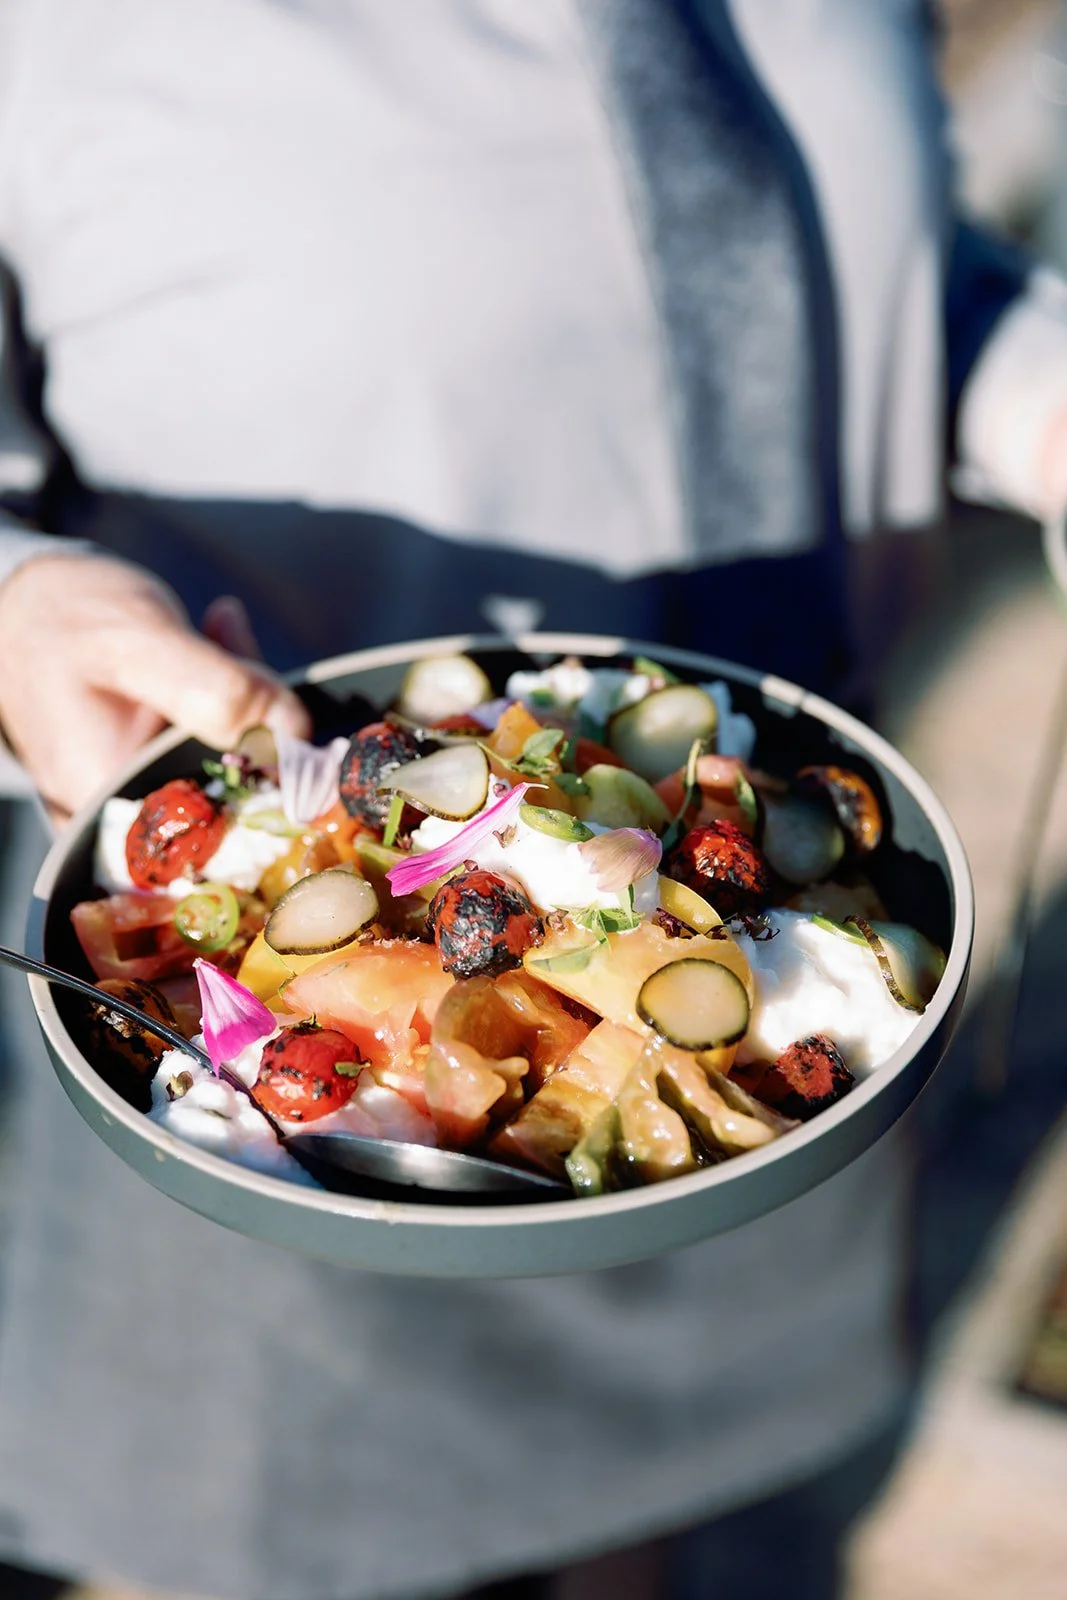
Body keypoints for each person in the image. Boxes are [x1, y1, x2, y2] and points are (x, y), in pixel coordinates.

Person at [0, 4, 1064, 1598]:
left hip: (767, 986)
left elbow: (838, 269)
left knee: (667, 1482)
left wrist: (1035, 392)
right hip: (316, 1113)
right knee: (345, 1542)